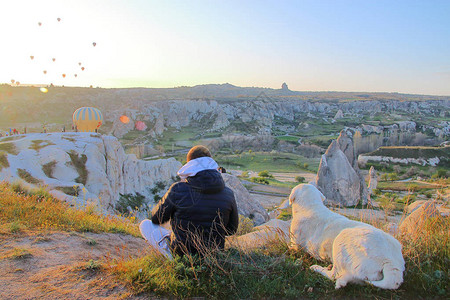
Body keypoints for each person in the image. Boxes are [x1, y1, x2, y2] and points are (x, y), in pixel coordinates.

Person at [140, 145, 239, 258]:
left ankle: (171, 257)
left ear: (190, 166)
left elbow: (157, 219)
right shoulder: (228, 193)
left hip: (182, 253)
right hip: (213, 255)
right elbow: (231, 230)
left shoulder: (178, 189)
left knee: (145, 225)